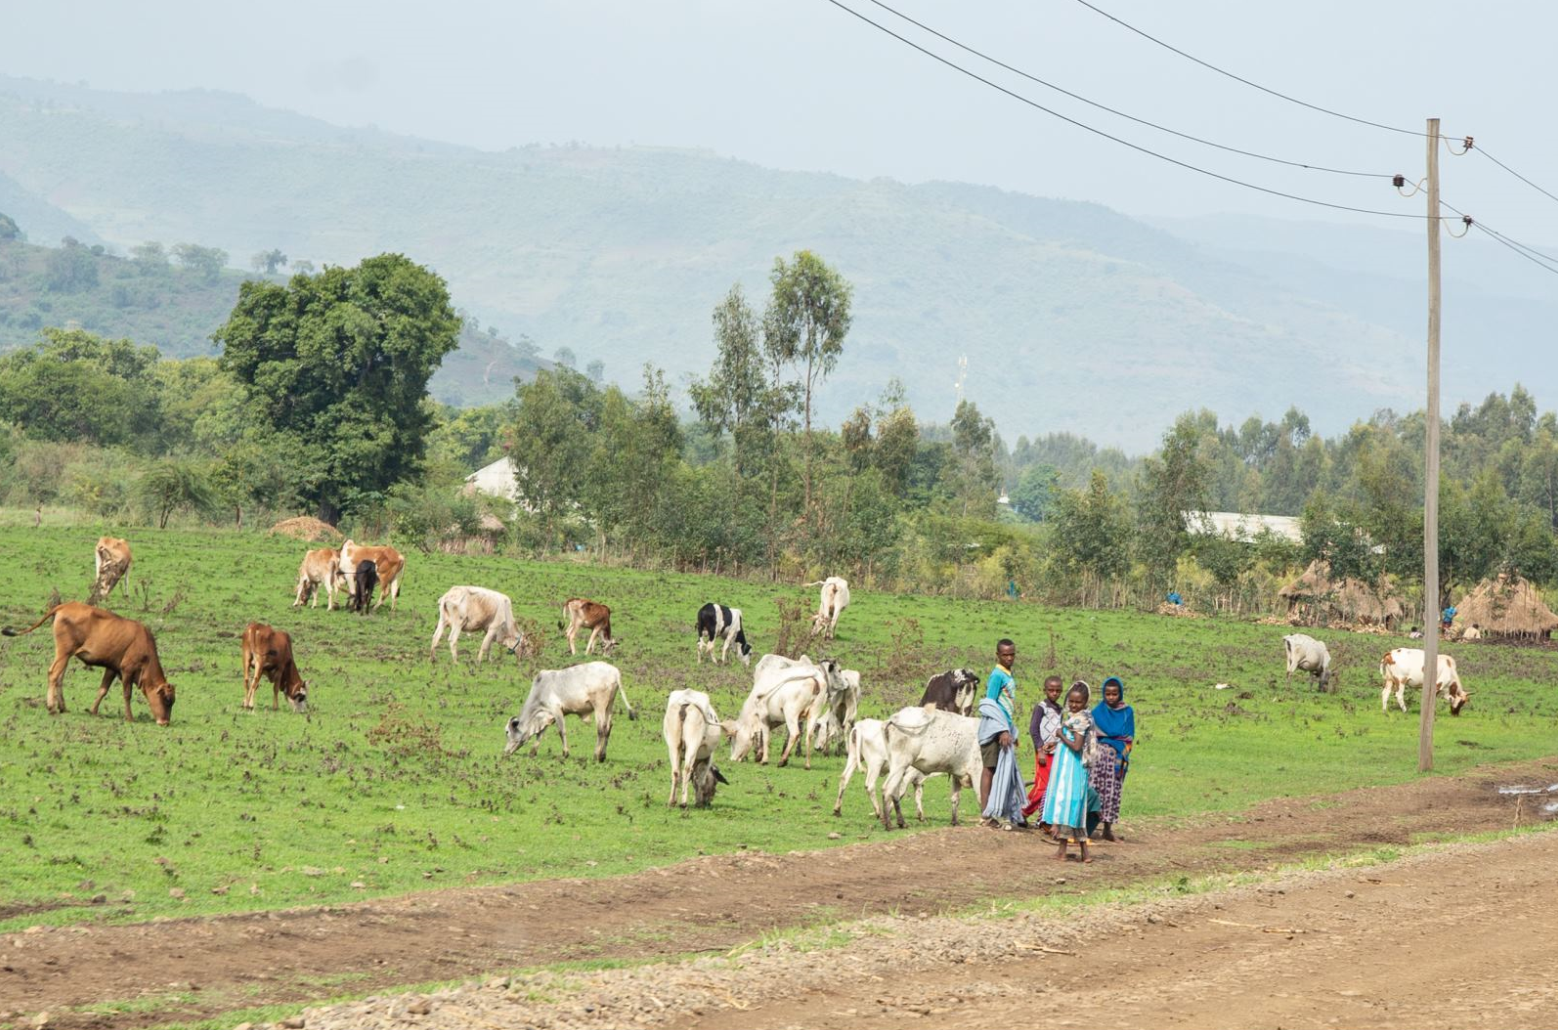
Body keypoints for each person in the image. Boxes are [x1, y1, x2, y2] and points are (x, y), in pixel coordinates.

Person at [1043, 681, 1096, 863]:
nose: (1073, 705)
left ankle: (1065, 852)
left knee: (1070, 806)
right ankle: (1079, 853)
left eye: (1078, 702)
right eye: (1071, 701)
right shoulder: (1076, 718)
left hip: (1073, 769)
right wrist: (1056, 742)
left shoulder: (1080, 720)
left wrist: (1060, 735)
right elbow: (1071, 740)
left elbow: (1076, 745)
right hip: (1068, 766)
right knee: (1073, 808)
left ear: (1085, 702)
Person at [1090, 676, 1135, 842]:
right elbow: (1090, 736)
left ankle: (1108, 829)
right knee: (1095, 792)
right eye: (1107, 694)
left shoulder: (1127, 713)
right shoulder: (1096, 712)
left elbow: (1128, 737)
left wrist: (1119, 750)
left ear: (1120, 694)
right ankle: (1089, 827)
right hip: (1098, 762)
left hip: (1116, 760)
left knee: (1113, 793)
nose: (1111, 697)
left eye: (1114, 694)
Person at [978, 639, 1018, 823]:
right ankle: (986, 813)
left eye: (1012, 654)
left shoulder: (1007, 674)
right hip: (994, 730)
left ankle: (997, 811)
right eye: (1005, 655)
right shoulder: (997, 676)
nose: (1009, 658)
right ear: (998, 655)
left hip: (1004, 729)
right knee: (990, 769)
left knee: (1000, 770)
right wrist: (1002, 730)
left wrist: (1010, 731)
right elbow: (990, 704)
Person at [1022, 676, 1064, 823]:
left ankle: (1045, 818)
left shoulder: (1061, 710)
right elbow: (1033, 729)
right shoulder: (1041, 707)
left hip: (1057, 753)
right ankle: (1022, 811)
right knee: (1042, 786)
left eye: (1058, 691)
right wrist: (1039, 749)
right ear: (1045, 690)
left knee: (1053, 786)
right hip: (1044, 753)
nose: (1054, 693)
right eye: (1051, 690)